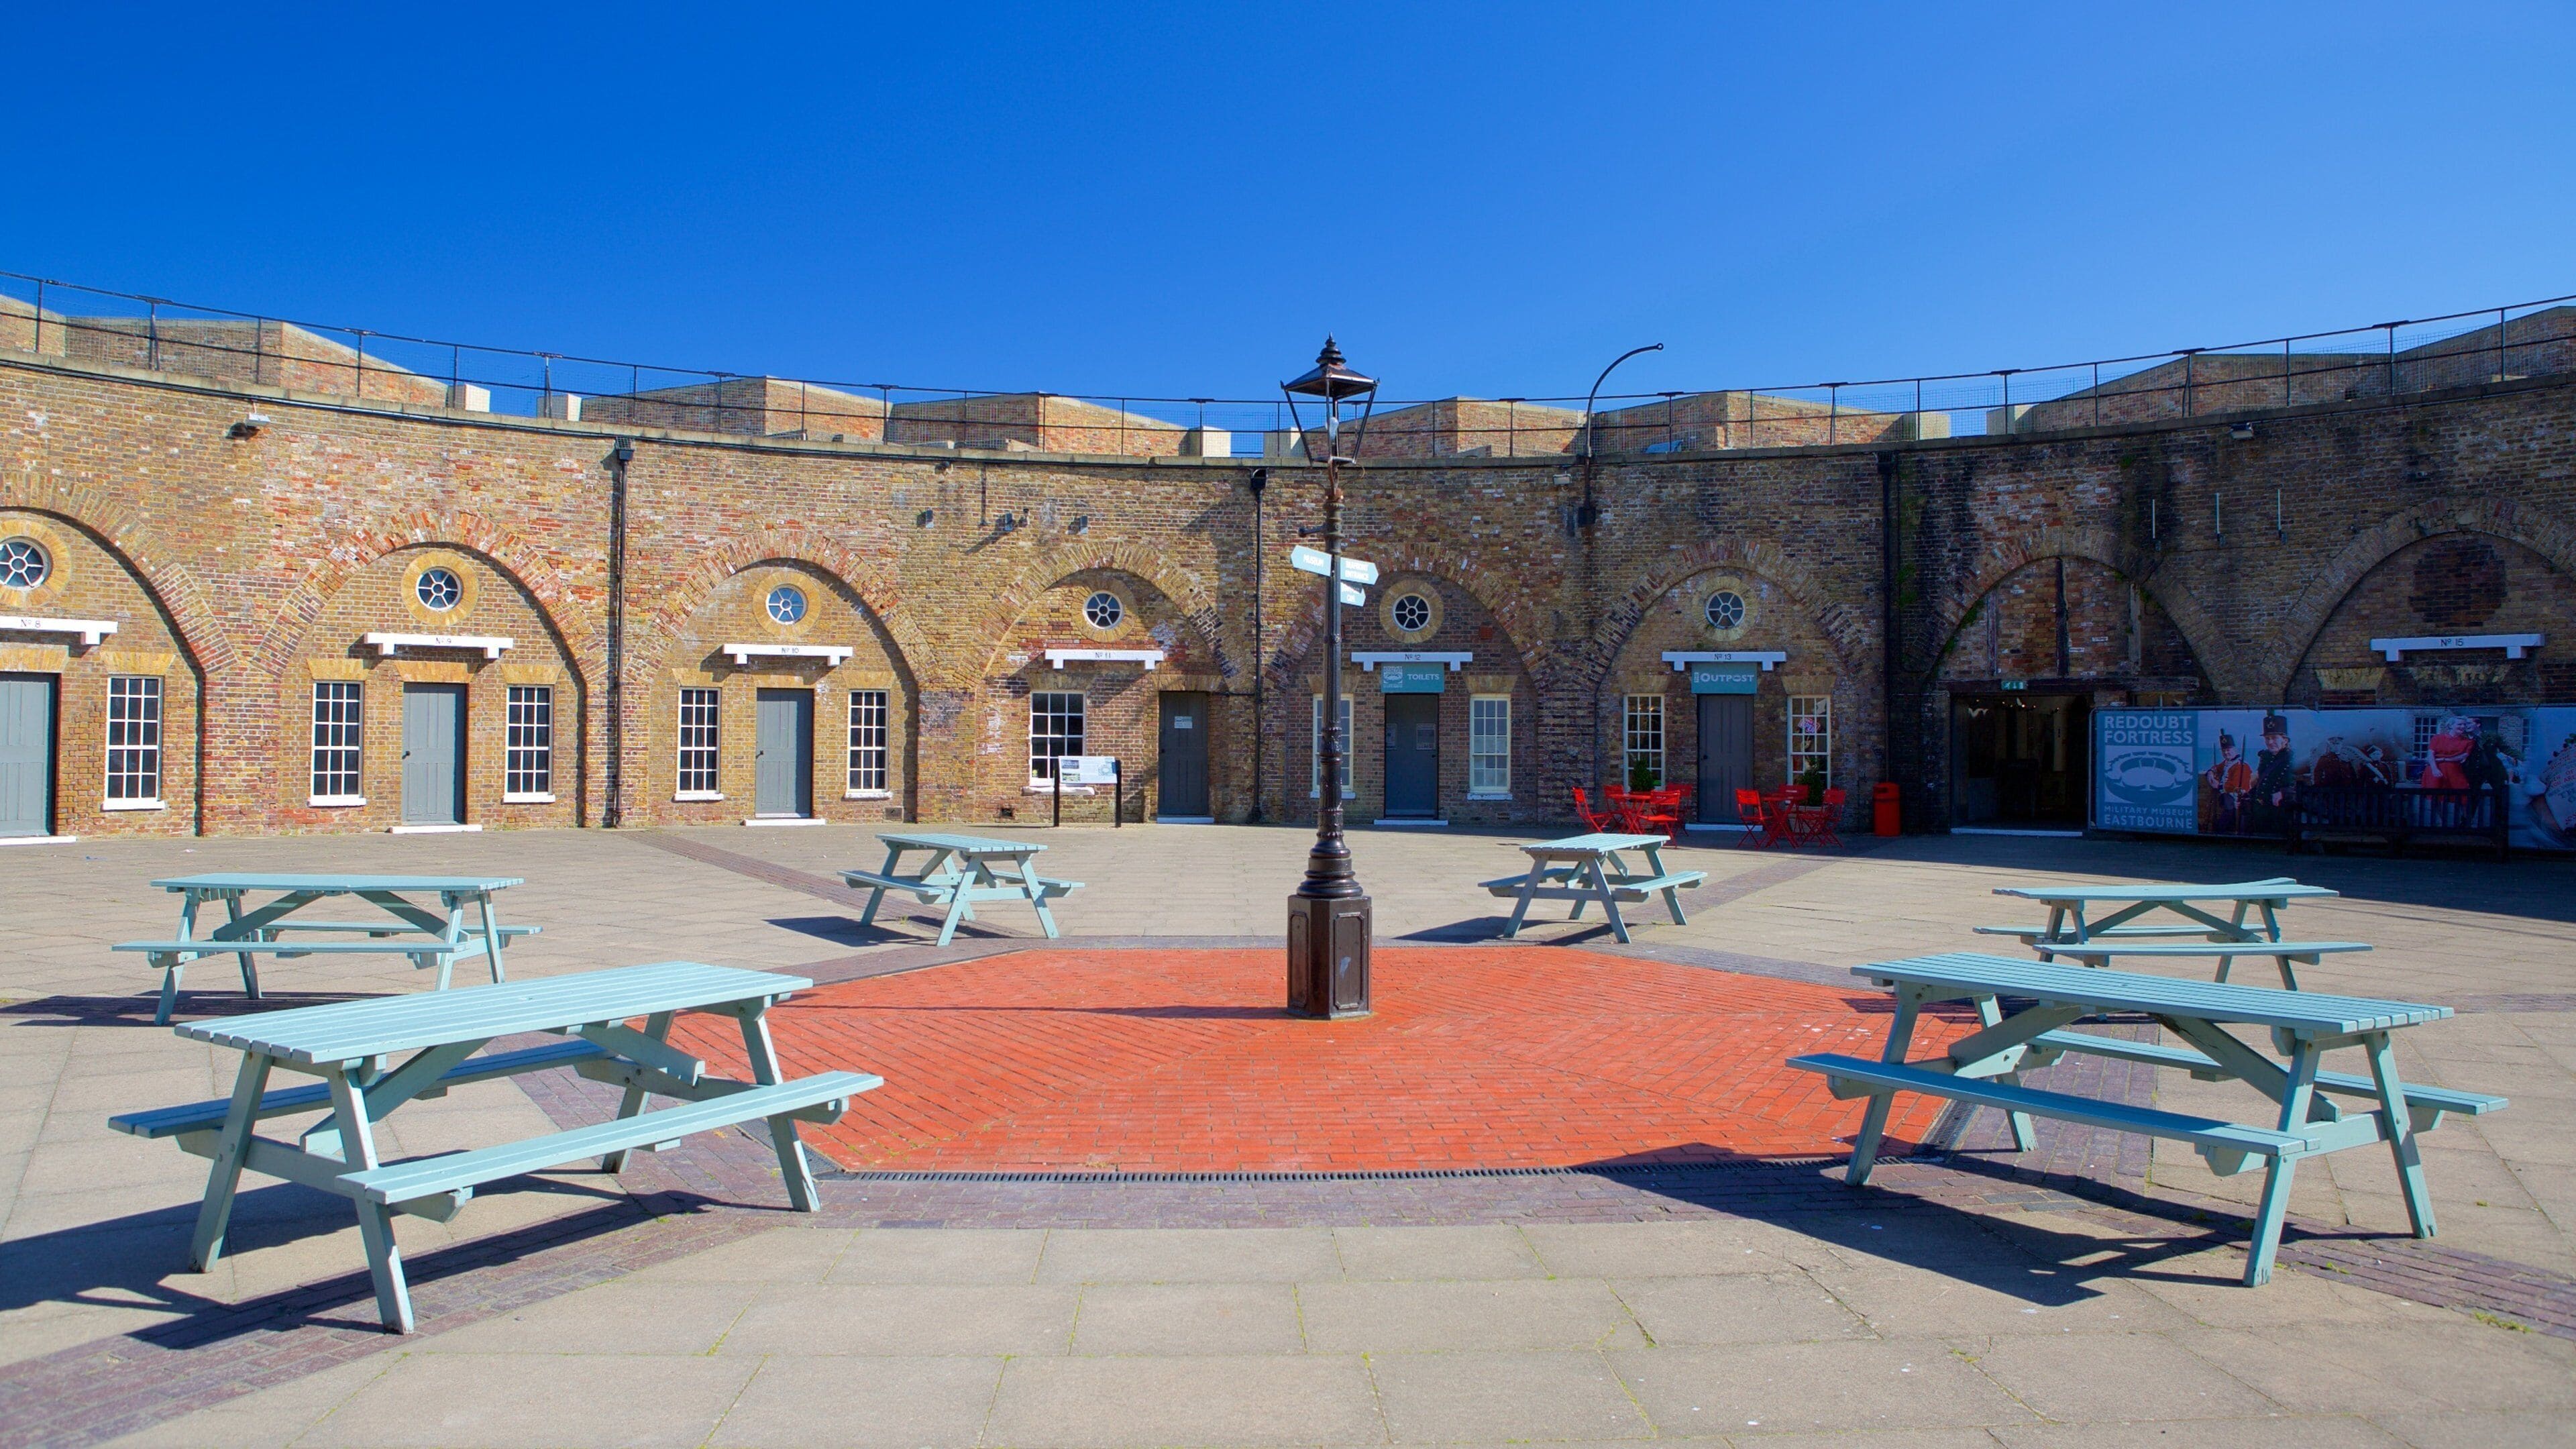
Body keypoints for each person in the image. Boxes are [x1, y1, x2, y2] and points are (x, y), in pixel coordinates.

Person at [2247, 714, 2297, 835]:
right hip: (2260, 809)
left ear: (2285, 740)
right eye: (2267, 738)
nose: (2270, 742)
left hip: (2280, 811)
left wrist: (2284, 792)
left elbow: (2300, 783)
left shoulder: (2292, 758)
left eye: (2274, 738)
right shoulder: (2265, 756)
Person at [2202, 731, 2254, 834]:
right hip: (2226, 801)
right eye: (2224, 750)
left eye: (2228, 750)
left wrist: (2218, 786)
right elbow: (2217, 768)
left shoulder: (2241, 764)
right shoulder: (2228, 762)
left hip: (2236, 803)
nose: (2226, 753)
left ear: (2235, 749)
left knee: (2223, 827)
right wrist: (2210, 773)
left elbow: (2236, 786)